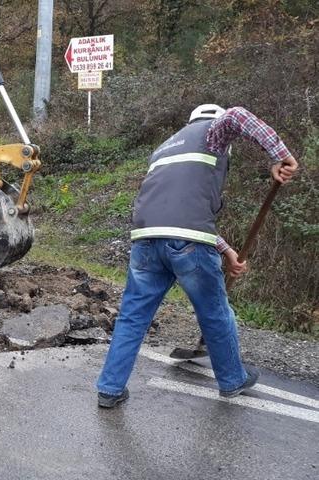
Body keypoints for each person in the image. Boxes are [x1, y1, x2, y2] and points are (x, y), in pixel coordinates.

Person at [96, 104, 299, 408]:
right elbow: (237, 116)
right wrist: (280, 155)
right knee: (215, 311)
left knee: (132, 316)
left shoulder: (165, 147)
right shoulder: (212, 133)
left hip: (146, 241)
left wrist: (227, 251)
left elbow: (179, 212)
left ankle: (110, 388)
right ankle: (232, 379)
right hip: (187, 243)